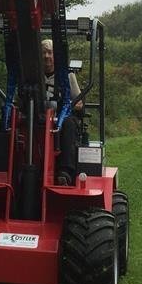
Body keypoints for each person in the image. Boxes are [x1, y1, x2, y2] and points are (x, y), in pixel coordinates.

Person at [42, 39, 81, 185]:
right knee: (10, 120)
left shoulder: (67, 75)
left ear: (56, 55)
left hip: (61, 117)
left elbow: (79, 103)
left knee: (69, 123)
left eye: (50, 52)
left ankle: (65, 171)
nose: (46, 56)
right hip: (37, 116)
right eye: (43, 52)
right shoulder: (32, 76)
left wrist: (64, 106)